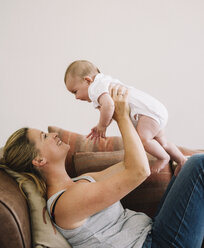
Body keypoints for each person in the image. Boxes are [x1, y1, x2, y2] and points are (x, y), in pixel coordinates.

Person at [0, 86, 203, 248]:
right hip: (154, 244)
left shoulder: (80, 182)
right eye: (44, 136)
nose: (52, 135)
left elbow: (129, 165)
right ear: (39, 160)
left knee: (184, 167)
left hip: (153, 231)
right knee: (197, 166)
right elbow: (139, 171)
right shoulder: (65, 204)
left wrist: (127, 117)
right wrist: (122, 117)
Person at [64, 60, 187, 172]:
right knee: (163, 143)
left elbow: (109, 106)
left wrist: (102, 126)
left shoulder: (94, 87)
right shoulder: (104, 81)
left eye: (75, 91)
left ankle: (163, 158)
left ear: (87, 80)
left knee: (144, 140)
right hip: (155, 109)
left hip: (146, 114)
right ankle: (182, 160)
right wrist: (101, 124)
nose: (76, 97)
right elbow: (110, 110)